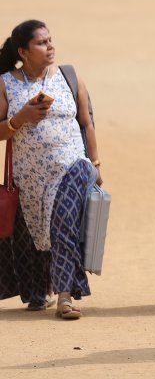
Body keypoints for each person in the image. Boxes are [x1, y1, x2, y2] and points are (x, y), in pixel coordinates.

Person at [0, 20, 101, 319]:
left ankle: (66, 296)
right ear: (23, 51)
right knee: (35, 233)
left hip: (72, 165)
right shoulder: (6, 83)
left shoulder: (70, 76)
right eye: (42, 43)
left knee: (64, 226)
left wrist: (95, 165)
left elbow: (87, 122)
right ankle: (38, 291)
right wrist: (21, 118)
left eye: (50, 40)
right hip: (28, 175)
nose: (50, 46)